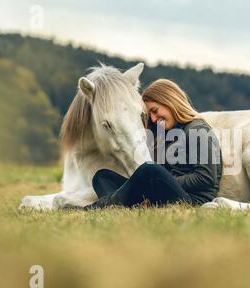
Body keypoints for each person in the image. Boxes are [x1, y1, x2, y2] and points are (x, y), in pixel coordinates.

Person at [84, 79, 222, 209]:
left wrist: (164, 181)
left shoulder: (197, 130)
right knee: (102, 177)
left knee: (150, 170)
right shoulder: (165, 133)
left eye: (155, 111)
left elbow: (206, 177)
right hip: (164, 194)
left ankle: (102, 206)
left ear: (170, 102)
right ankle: (124, 204)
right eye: (150, 115)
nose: (154, 119)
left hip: (191, 200)